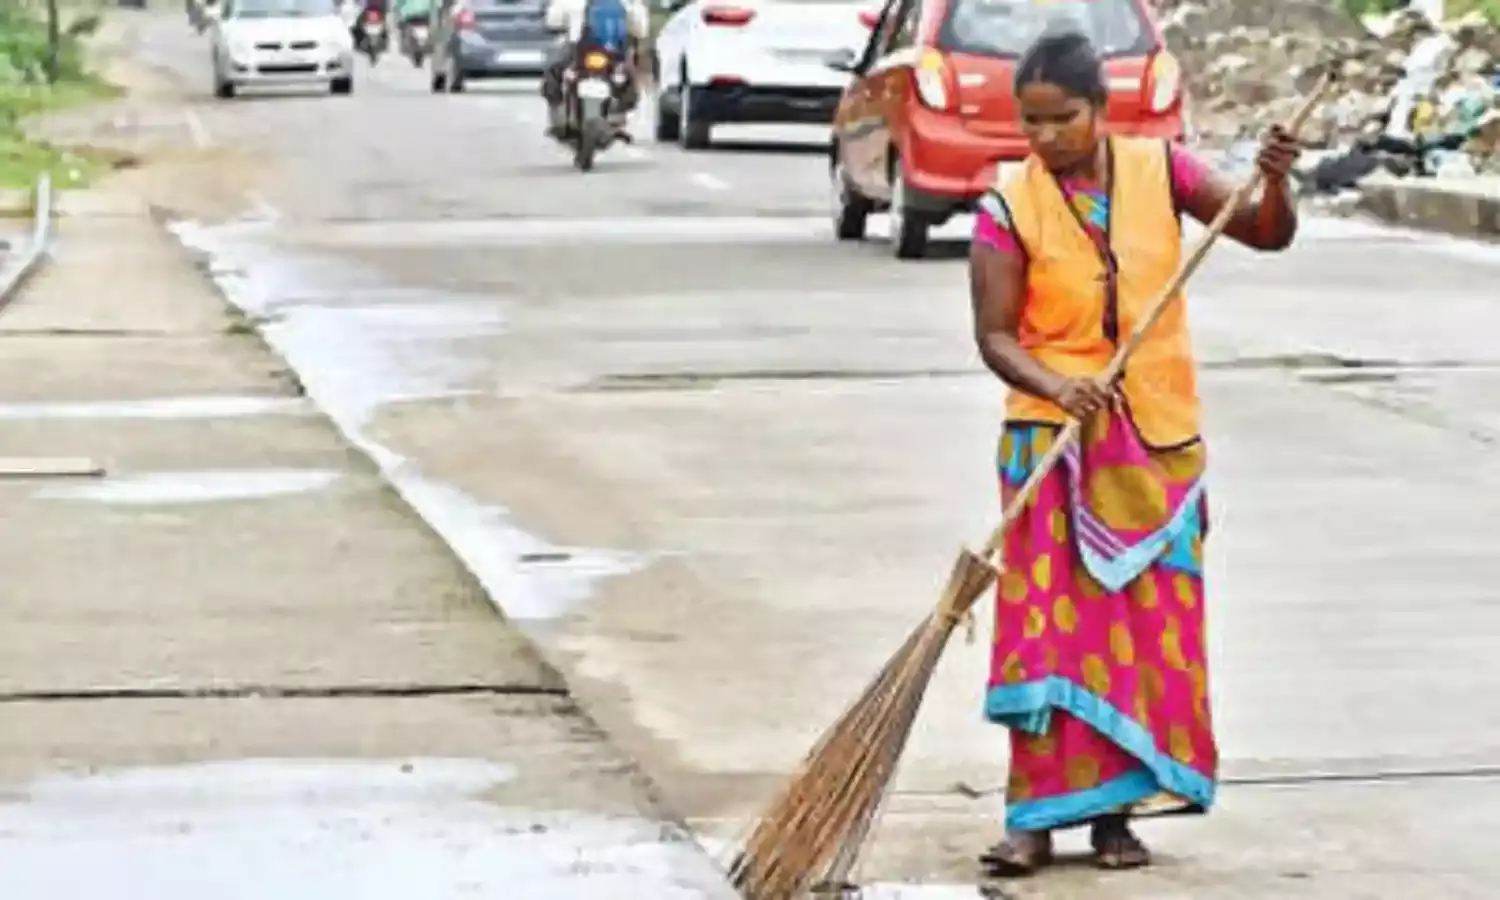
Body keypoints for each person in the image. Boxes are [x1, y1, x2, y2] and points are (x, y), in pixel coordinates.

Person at [969, 29, 1299, 875]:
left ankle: (1116, 818)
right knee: (1048, 635)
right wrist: (1057, 386)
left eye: (1063, 119)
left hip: (1156, 441)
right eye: (1032, 121)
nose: (1046, 137)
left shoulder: (1165, 170)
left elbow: (1264, 232)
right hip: (1052, 444)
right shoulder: (1008, 203)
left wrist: (1275, 179)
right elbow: (995, 336)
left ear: (1101, 109)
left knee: (1143, 636)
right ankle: (1032, 821)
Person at [541, 0, 649, 138]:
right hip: (614, 50)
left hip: (579, 50)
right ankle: (618, 114)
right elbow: (641, 30)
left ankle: (559, 115)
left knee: (555, 72)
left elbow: (552, 21)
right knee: (628, 76)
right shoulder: (628, 3)